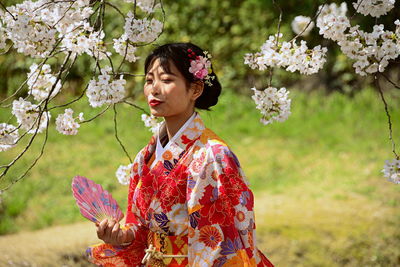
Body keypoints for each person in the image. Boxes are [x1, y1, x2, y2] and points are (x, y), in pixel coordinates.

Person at [86, 43, 274, 267]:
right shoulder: (145, 157)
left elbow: (220, 242)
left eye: (166, 80)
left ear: (195, 89)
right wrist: (122, 236)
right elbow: (142, 226)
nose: (154, 89)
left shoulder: (213, 155)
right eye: (149, 80)